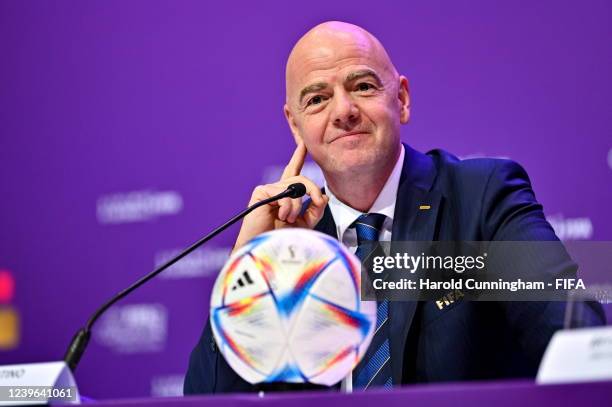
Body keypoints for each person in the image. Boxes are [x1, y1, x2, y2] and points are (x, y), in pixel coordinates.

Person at [184, 21, 604, 394]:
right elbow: (209, 397)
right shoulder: (293, 250)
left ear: (401, 99)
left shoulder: (481, 198)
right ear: (296, 125)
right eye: (317, 99)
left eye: (362, 86)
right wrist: (250, 261)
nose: (344, 111)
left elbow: (577, 340)